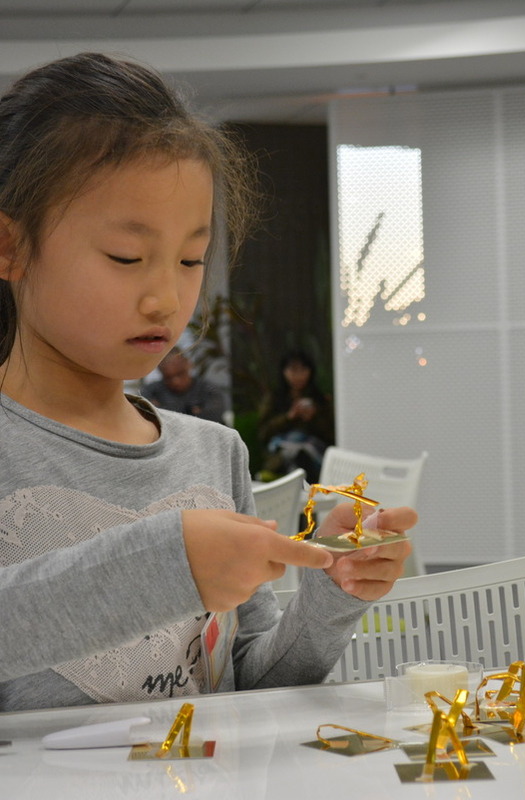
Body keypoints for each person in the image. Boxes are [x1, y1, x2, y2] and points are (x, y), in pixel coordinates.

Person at [0, 52, 415, 713]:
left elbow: (245, 690)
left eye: (191, 259)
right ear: (11, 247)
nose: (166, 297)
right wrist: (159, 567)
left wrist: (329, 597)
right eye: (126, 257)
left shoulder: (212, 453)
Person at [261, 351, 335, 483]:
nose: (298, 375)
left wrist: (314, 417)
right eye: (293, 370)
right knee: (294, 447)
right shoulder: (274, 398)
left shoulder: (321, 400)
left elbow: (331, 436)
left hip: (314, 454)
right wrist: (289, 417)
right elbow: (264, 433)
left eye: (303, 369)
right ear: (284, 372)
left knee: (304, 449)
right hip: (280, 456)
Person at [142, 347, 227, 424]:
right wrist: (193, 411)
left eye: (180, 374)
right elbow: (144, 418)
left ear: (188, 365)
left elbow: (213, 419)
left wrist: (163, 411)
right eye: (168, 377)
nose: (176, 382)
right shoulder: (151, 391)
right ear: (160, 371)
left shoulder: (209, 390)